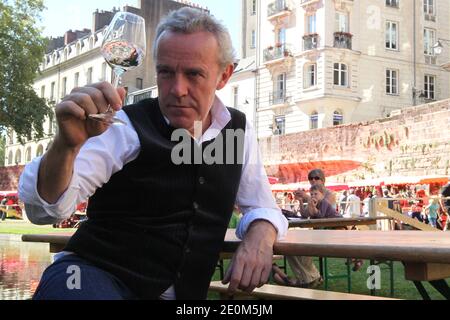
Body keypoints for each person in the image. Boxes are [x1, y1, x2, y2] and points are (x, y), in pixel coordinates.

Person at [18, 8, 288, 300]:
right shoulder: (125, 125)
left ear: (224, 75)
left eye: (194, 74)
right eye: (166, 72)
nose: (177, 89)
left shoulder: (236, 131)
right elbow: (46, 209)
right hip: (90, 277)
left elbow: (262, 206)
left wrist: (261, 234)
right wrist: (65, 147)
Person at [272, 169, 336, 289]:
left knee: (296, 246)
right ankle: (307, 278)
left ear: (323, 180)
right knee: (289, 245)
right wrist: (301, 201)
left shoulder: (328, 194)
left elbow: (322, 212)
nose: (313, 180)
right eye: (311, 178)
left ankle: (308, 278)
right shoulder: (313, 194)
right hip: (316, 233)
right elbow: (305, 214)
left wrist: (307, 197)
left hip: (329, 233)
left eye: (316, 178)